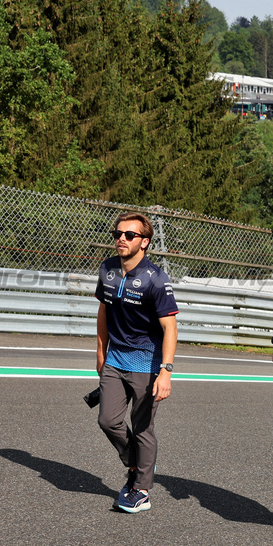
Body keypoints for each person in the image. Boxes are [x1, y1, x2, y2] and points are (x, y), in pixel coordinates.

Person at [93, 212, 179, 514]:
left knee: (142, 428)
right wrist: (101, 352)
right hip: (115, 358)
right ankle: (134, 463)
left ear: (144, 242)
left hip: (147, 363)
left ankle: (141, 490)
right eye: (117, 233)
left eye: (129, 235)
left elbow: (170, 328)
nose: (121, 239)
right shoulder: (107, 270)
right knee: (108, 420)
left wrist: (166, 372)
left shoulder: (156, 279)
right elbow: (104, 312)